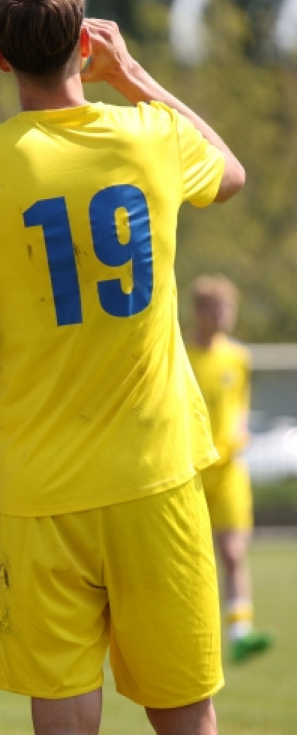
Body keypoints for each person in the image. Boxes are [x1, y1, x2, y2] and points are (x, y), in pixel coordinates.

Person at [0, 0, 245, 735]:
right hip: (153, 476)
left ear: (0, 58)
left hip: (38, 491)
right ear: (85, 47)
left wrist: (2, 334)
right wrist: (132, 76)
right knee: (185, 713)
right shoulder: (151, 136)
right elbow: (228, 173)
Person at [186, 274, 274, 664]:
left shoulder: (238, 357)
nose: (223, 315)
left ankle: (241, 632)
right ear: (198, 311)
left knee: (234, 551)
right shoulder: (179, 354)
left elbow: (238, 405)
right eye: (216, 307)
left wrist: (240, 431)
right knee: (189, 556)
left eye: (228, 308)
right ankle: (190, 634)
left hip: (229, 471)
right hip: (189, 469)